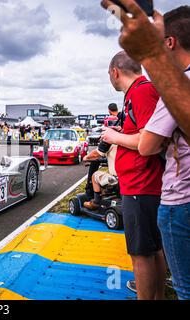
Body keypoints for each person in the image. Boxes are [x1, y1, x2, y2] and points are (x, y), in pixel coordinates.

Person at [101, 51, 166, 300]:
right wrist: (122, 131)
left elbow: (150, 139)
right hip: (143, 183)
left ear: (115, 72)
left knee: (141, 252)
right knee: (152, 248)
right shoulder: (139, 92)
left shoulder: (141, 91)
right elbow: (143, 130)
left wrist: (113, 136)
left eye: (109, 75)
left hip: (142, 184)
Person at [137, 6, 190, 300]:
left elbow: (146, 145)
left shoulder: (176, 85)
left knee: (185, 289)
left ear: (169, 42)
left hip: (179, 200)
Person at [101, 0, 190, 138]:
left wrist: (152, 54)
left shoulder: (144, 90)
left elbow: (147, 146)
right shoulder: (180, 82)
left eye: (159, 39)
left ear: (169, 42)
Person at [83, 146, 118, 210]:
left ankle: (96, 202)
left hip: (116, 178)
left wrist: (86, 157)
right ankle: (105, 193)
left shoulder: (110, 140)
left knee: (94, 175)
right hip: (126, 177)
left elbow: (96, 154)